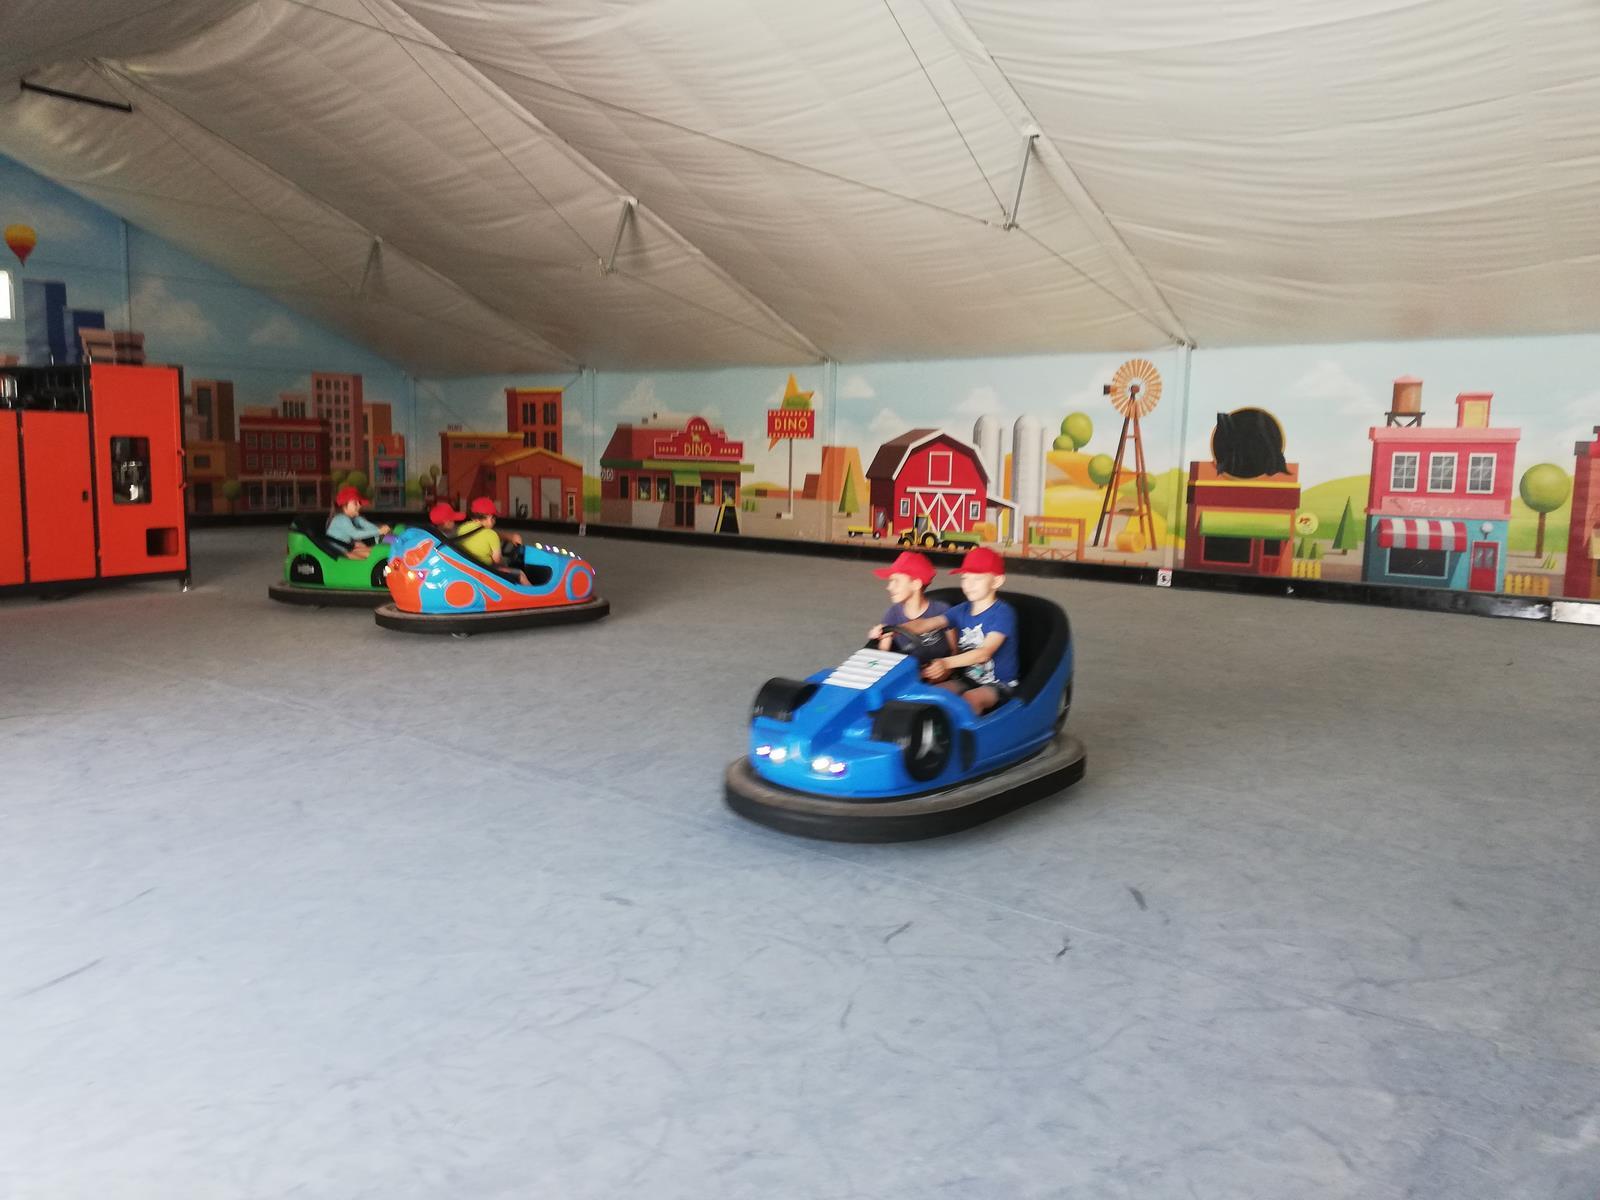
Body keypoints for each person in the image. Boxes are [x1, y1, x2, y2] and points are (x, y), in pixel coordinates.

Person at [899, 546, 1019, 716]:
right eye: (964, 578)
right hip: (967, 678)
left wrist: (946, 663)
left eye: (977, 578)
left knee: (970, 699)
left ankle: (966, 733)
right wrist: (898, 629)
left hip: (1000, 684)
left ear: (997, 581)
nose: (968, 585)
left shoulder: (1003, 613)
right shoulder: (962, 609)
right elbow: (927, 624)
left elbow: (983, 654)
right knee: (932, 693)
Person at [865, 551, 948, 653]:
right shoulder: (893, 614)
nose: (889, 587)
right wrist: (879, 635)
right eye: (890, 581)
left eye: (896, 581)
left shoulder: (941, 611)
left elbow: (954, 649)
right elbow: (883, 652)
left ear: (916, 584)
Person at [455, 497, 528, 585]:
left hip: (468, 569)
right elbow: (498, 562)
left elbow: (480, 536)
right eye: (494, 517)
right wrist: (507, 563)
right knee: (520, 574)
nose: (494, 521)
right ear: (490, 517)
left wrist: (508, 537)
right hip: (486, 572)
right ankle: (535, 593)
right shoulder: (491, 535)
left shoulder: (461, 528)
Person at [325, 485, 390, 559]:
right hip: (336, 553)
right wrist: (379, 531)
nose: (359, 506)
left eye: (359, 503)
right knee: (371, 556)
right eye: (355, 503)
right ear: (344, 506)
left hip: (347, 548)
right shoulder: (341, 519)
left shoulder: (356, 518)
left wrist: (383, 531)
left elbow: (368, 526)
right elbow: (355, 534)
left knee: (375, 551)